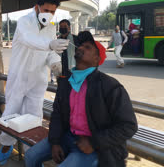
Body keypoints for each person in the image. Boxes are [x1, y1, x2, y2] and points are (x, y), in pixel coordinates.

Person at [24, 31, 137, 167]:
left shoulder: (109, 86)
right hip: (67, 137)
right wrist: (55, 142)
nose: (81, 48)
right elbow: (58, 114)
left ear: (97, 59)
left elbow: (128, 126)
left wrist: (94, 142)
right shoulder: (66, 82)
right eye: (81, 46)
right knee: (31, 156)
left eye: (88, 47)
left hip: (94, 145)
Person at [0, 0, 69, 164]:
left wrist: (56, 64)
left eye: (53, 11)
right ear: (37, 7)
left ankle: (33, 155)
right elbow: (30, 40)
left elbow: (50, 53)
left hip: (37, 79)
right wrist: (50, 44)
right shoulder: (24, 22)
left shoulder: (51, 27)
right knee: (11, 113)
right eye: (46, 10)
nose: (49, 14)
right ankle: (5, 147)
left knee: (34, 117)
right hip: (19, 76)